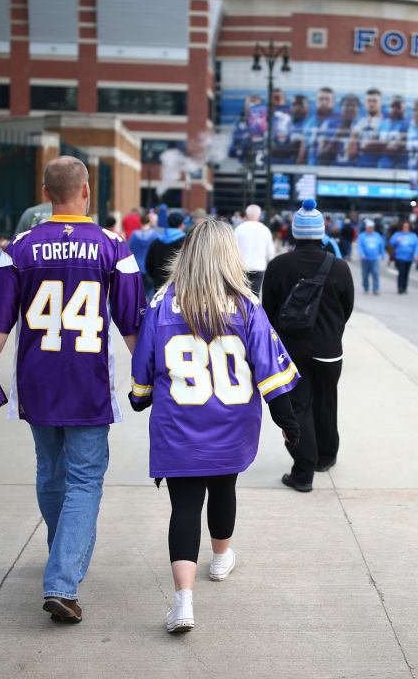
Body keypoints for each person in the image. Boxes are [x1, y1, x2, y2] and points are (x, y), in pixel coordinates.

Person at [0, 156, 147, 624]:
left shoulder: (21, 246)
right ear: (86, 192)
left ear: (46, 194)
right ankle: (63, 581)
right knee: (85, 480)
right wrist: (148, 376)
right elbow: (132, 322)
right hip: (88, 385)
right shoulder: (114, 246)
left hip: (37, 381)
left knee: (51, 472)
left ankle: (61, 557)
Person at [129, 220, 301, 634]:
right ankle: (221, 558)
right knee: (224, 488)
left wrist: (140, 398)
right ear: (230, 257)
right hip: (232, 424)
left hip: (178, 426)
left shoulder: (162, 302)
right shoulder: (247, 307)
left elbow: (144, 372)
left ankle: (183, 602)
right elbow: (270, 372)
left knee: (184, 507)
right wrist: (289, 422)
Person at [261, 199, 354, 492]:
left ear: (294, 232)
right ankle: (325, 456)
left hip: (291, 352)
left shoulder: (278, 266)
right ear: (322, 232)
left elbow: (268, 311)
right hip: (329, 351)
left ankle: (303, 472)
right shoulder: (339, 267)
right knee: (327, 403)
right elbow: (347, 307)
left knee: (299, 407)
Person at [233, 204, 276, 296]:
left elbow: (232, 250)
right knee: (255, 297)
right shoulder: (265, 230)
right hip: (258, 267)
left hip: (242, 268)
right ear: (259, 215)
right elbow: (270, 253)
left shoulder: (239, 229)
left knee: (241, 297)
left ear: (247, 215)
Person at [145, 211, 187, 289]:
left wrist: (155, 278)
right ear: (181, 225)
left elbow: (148, 263)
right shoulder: (186, 242)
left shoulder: (156, 241)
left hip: (159, 284)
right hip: (178, 285)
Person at [389, 221, 418, 294]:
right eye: (404, 227)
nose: (405, 228)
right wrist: (396, 240)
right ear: (402, 227)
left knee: (406, 273)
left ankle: (405, 287)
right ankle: (400, 287)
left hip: (409, 258)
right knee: (401, 272)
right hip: (399, 257)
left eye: (407, 227)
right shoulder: (398, 234)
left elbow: (417, 245)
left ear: (409, 228)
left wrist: (416, 254)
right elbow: (391, 243)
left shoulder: (413, 236)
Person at [356, 219, 385, 295]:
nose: (370, 229)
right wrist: (362, 254)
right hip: (365, 259)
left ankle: (376, 289)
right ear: (366, 228)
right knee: (365, 274)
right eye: (369, 227)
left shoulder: (377, 235)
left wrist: (383, 254)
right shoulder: (362, 236)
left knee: (375, 273)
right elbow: (360, 246)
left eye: (372, 227)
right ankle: (366, 287)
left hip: (374, 259)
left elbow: (381, 245)